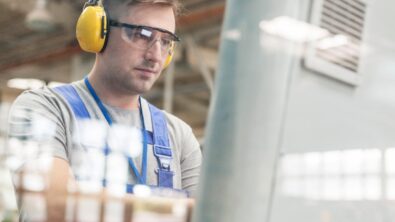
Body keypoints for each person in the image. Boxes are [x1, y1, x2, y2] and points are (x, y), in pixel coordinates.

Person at [8, 0, 202, 220]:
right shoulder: (44, 109)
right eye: (142, 34)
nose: (156, 56)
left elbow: (206, 215)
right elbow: (51, 205)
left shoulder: (178, 135)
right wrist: (175, 210)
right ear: (99, 32)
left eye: (166, 41)